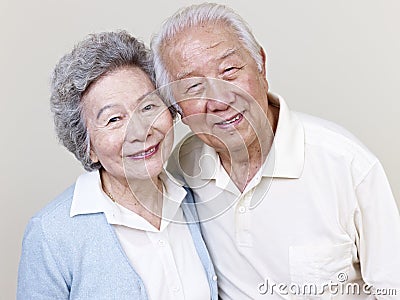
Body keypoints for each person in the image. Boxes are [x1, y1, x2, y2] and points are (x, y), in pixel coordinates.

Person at [151, 3, 400, 299]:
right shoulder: (182, 169)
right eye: (193, 87)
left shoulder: (347, 165)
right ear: (176, 108)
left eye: (229, 71)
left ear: (261, 66)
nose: (219, 99)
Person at [17, 31, 218, 300]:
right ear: (88, 147)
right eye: (114, 119)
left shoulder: (198, 196)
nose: (140, 131)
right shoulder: (50, 234)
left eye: (148, 107)